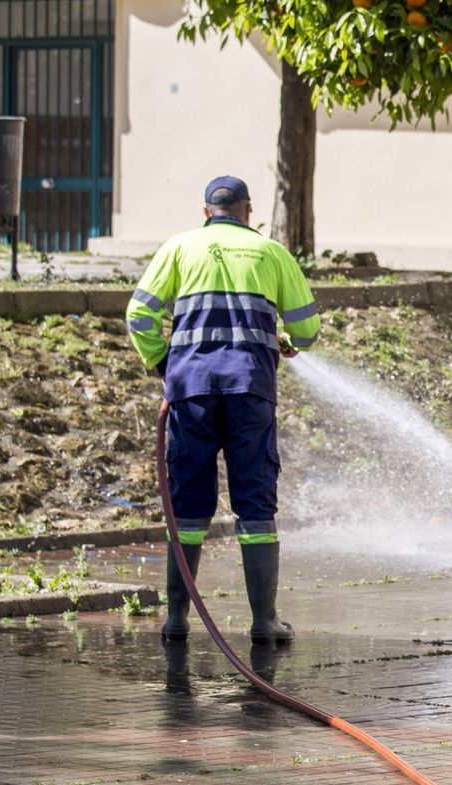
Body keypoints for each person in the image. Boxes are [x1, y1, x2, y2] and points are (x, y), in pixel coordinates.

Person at [126, 175, 321, 645]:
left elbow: (139, 315)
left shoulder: (180, 247)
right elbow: (308, 326)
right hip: (249, 390)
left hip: (190, 390)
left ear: (206, 211)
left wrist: (162, 363)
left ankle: (176, 620)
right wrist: (288, 342)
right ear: (248, 212)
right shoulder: (272, 254)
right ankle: (263, 621)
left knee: (188, 506)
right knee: (254, 502)